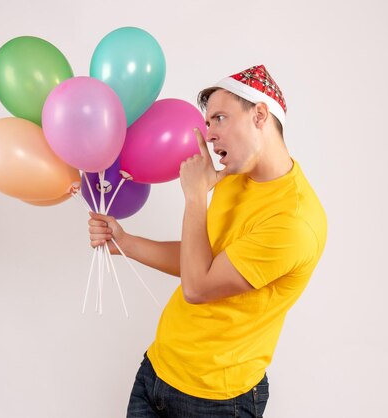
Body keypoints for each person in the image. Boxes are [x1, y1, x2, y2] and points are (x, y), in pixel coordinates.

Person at [88, 65, 327, 417]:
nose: (209, 135)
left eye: (219, 118)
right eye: (208, 123)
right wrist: (123, 241)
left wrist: (195, 197)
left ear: (259, 115)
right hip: (157, 370)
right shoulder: (234, 178)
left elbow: (197, 286)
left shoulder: (294, 220)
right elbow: (201, 262)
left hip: (217, 402)